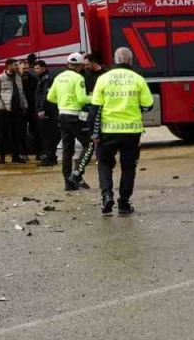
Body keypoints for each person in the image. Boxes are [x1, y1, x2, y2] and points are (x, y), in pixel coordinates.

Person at [89, 47, 154, 216]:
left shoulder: (103, 79)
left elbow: (95, 109)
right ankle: (124, 203)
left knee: (104, 164)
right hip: (131, 132)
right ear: (130, 61)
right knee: (128, 167)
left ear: (115, 60)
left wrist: (93, 133)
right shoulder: (138, 79)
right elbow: (148, 105)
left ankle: (106, 195)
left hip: (107, 131)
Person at [49, 52, 91, 191]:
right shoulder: (78, 77)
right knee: (89, 144)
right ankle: (77, 173)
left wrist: (62, 103)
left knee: (67, 150)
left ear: (68, 64)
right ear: (79, 66)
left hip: (62, 115)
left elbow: (50, 97)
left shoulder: (59, 77)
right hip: (76, 116)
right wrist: (95, 98)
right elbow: (82, 99)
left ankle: (68, 183)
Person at [0, 58, 27, 164]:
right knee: (4, 134)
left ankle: (15, 156)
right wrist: (1, 106)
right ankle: (2, 156)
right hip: (5, 110)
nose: (16, 67)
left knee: (17, 134)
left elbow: (21, 92)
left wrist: (24, 104)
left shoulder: (18, 77)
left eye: (16, 65)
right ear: (7, 66)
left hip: (17, 109)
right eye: (14, 65)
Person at [33, 59, 60, 168]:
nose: (36, 70)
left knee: (46, 135)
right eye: (35, 68)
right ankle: (51, 157)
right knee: (49, 134)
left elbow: (44, 96)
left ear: (44, 68)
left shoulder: (46, 79)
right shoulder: (42, 78)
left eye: (38, 68)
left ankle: (48, 157)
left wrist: (40, 110)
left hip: (46, 111)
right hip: (46, 110)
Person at [20, 57, 41, 161]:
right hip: (21, 110)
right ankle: (23, 153)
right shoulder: (17, 80)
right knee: (21, 132)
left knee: (36, 131)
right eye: (24, 68)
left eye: (27, 68)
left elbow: (37, 94)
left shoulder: (33, 79)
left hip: (32, 109)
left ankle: (39, 153)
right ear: (19, 68)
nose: (26, 70)